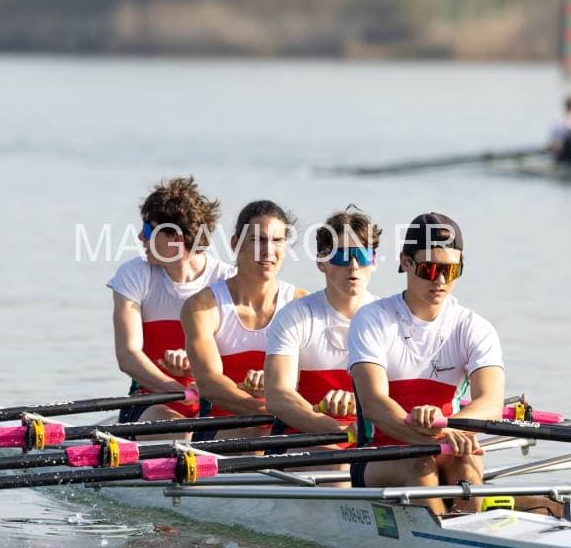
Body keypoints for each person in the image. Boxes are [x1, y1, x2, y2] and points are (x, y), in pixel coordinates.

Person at [348, 213, 505, 515]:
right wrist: (439, 433)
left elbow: (491, 404)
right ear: (405, 262)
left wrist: (447, 426)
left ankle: (466, 529)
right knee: (420, 466)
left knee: (465, 465)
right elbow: (374, 403)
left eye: (451, 270)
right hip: (379, 454)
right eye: (430, 268)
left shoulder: (474, 327)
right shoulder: (372, 319)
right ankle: (446, 533)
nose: (441, 280)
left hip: (448, 444)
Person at [108, 177, 234, 430]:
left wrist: (196, 367)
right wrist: (178, 390)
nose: (140, 237)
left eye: (147, 230)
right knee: (175, 428)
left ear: (175, 238)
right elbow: (127, 356)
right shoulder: (135, 274)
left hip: (215, 401)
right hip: (152, 400)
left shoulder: (227, 281)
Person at [263, 207, 380, 469]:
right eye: (341, 256)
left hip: (372, 438)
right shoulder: (295, 316)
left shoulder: (390, 319)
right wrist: (338, 429)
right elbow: (278, 396)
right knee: (341, 466)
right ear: (321, 262)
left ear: (373, 261)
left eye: (362, 255)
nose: (353, 265)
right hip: (304, 436)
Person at [182, 200, 307, 439]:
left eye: (277, 241)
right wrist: (271, 408)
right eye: (258, 240)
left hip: (286, 425)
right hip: (222, 427)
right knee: (259, 432)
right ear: (235, 244)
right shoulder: (202, 306)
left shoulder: (301, 304)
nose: (268, 251)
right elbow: (209, 383)